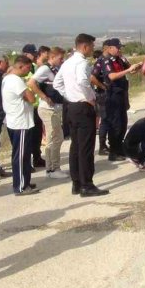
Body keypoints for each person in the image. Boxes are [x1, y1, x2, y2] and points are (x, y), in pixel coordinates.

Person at [54, 33, 109, 197]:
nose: (93, 49)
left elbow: (57, 83)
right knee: (86, 147)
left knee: (75, 146)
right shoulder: (82, 63)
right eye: (92, 46)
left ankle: (76, 183)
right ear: (84, 46)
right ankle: (87, 184)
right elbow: (83, 82)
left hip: (71, 107)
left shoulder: (68, 62)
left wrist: (70, 95)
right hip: (83, 106)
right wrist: (89, 98)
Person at [1, 56, 40, 196]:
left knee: (23, 154)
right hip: (20, 122)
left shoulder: (8, 78)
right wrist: (29, 91)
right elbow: (31, 98)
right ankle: (21, 186)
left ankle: (25, 181)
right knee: (21, 156)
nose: (29, 71)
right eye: (28, 68)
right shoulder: (16, 81)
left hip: (16, 121)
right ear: (21, 66)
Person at [98, 38, 141, 161]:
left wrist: (136, 67)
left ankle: (119, 147)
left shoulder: (120, 59)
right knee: (115, 124)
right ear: (110, 48)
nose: (120, 49)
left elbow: (129, 71)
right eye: (118, 47)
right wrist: (128, 70)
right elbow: (111, 76)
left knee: (123, 123)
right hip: (113, 96)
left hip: (122, 94)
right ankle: (113, 151)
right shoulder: (106, 61)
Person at [29, 47, 67, 179]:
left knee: (56, 138)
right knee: (54, 138)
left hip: (56, 108)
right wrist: (43, 96)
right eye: (60, 58)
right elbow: (32, 82)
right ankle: (53, 169)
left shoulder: (55, 69)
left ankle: (52, 168)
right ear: (52, 57)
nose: (62, 60)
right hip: (48, 108)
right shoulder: (45, 69)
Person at [22, 44, 47, 169]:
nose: (36, 55)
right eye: (33, 53)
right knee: (28, 136)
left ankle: (37, 157)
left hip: (36, 106)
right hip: (26, 106)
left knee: (37, 134)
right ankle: (27, 161)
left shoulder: (34, 67)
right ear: (26, 54)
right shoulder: (21, 69)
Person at [90, 44, 110, 155]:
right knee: (105, 120)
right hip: (103, 95)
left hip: (110, 94)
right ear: (107, 48)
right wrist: (103, 87)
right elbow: (92, 78)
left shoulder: (109, 60)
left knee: (111, 119)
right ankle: (102, 146)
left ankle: (110, 143)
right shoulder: (100, 61)